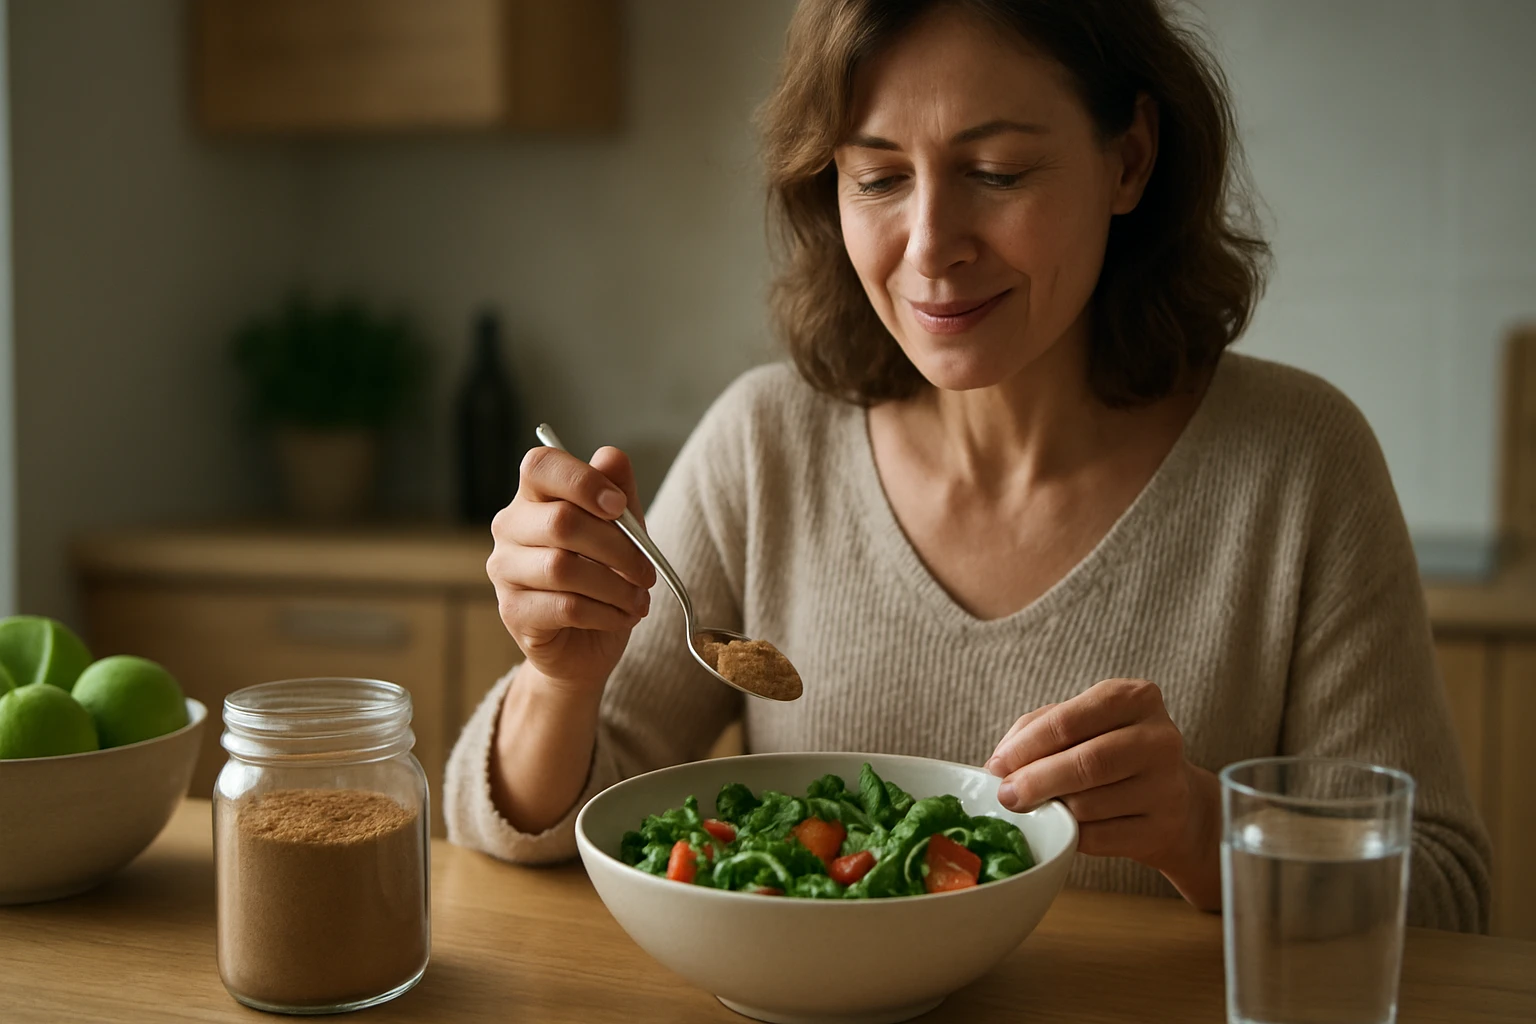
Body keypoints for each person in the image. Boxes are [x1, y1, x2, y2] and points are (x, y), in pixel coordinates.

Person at [445, 0, 1490, 931]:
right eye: (880, 176)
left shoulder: (1300, 464)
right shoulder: (767, 443)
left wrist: (1208, 825)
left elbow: (1443, 893)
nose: (931, 243)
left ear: (1130, 158)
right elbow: (532, 826)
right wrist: (559, 679)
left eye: (996, 173)